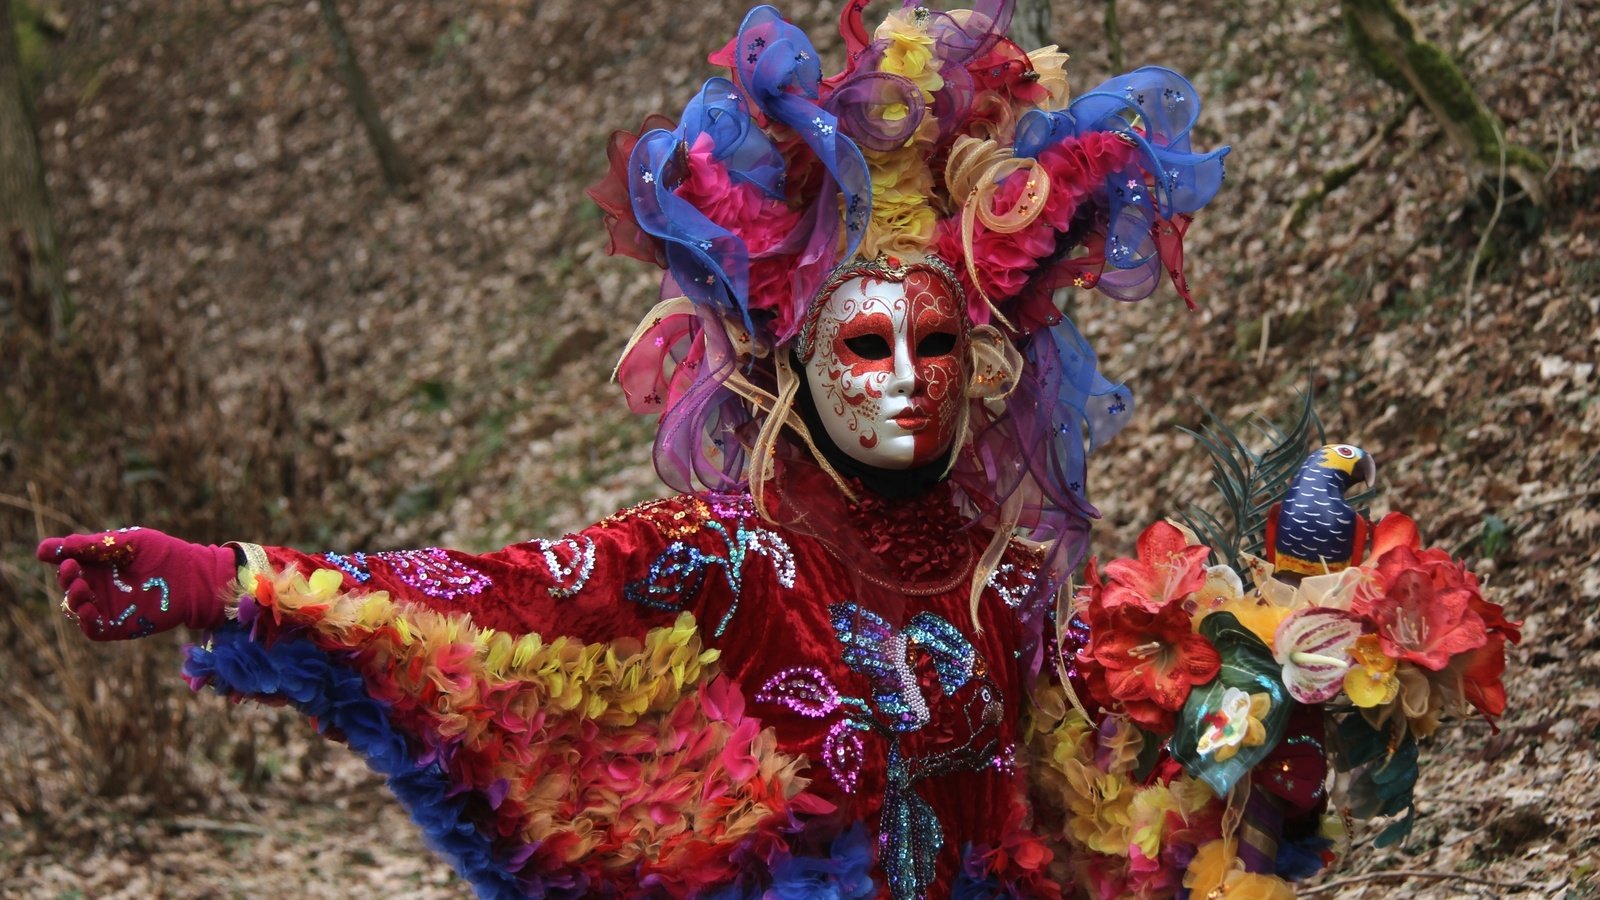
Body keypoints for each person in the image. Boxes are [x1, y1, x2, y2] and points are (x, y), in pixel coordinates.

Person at [36, 2, 1515, 898]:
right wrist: (222, 578)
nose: (903, 379)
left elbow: (1101, 837)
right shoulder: (732, 559)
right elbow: (493, 605)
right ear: (793, 364)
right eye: (862, 346)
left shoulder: (1014, 589)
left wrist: (1291, 723)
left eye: (933, 345)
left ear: (986, 362)